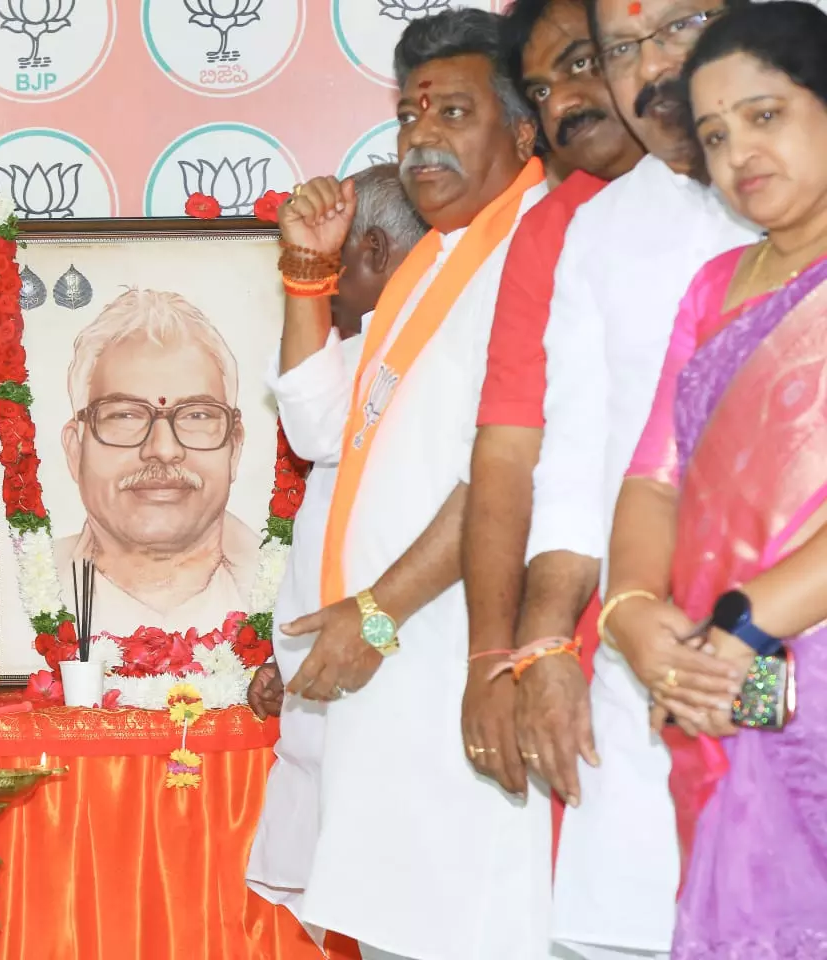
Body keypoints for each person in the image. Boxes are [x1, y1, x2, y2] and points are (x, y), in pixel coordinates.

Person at [258, 9, 550, 958]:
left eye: (452, 112)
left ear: (523, 130)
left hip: (450, 669)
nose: (420, 137)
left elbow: (508, 473)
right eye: (408, 115)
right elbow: (317, 428)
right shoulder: (432, 259)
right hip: (388, 680)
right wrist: (309, 277)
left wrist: (379, 615)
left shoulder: (532, 251)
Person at [522, 0, 757, 954]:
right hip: (643, 666)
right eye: (622, 46)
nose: (653, 64)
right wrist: (550, 644)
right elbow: (581, 456)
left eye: (680, 23)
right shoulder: (603, 229)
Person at [606, 3, 827, 953]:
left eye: (765, 115)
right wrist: (631, 612)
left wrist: (741, 629)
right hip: (714, 694)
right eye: (715, 134)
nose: (740, 153)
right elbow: (654, 478)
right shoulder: (715, 287)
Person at [461, 0, 643, 822]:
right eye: (539, 89)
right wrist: (508, 654)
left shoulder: (771, 183)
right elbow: (521, 451)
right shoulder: (561, 231)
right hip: (602, 624)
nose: (561, 103)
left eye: (579, 64)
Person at [245, 165, 428, 938]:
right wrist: (289, 663)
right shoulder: (370, 352)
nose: (327, 283)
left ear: (375, 252)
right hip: (341, 689)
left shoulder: (423, 352)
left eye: (337, 262)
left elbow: (438, 552)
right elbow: (319, 445)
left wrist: (373, 634)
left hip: (390, 689)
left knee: (406, 920)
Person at [54, 288, 258, 636]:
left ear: (234, 447)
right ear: (75, 450)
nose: (163, 449)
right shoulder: (11, 597)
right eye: (125, 415)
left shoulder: (299, 586)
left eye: (196, 415)